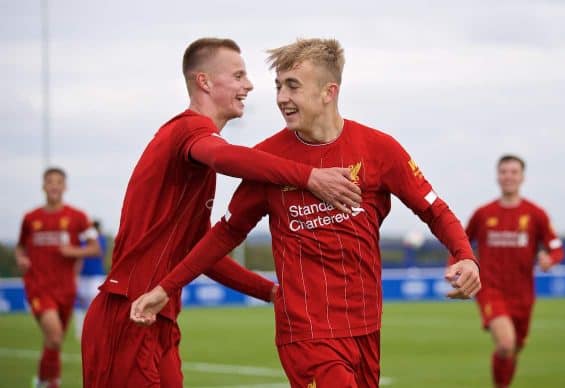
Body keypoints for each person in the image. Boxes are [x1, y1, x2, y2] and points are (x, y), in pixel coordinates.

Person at [131, 38, 481, 388]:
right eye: (279, 86)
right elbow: (226, 233)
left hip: (365, 325)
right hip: (305, 331)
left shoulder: (379, 149)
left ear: (329, 92)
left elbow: (433, 209)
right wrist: (166, 288)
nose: (282, 97)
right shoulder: (268, 161)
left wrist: (465, 256)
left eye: (293, 86)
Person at [80, 37, 361, 387]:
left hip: (159, 317)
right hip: (129, 312)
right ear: (205, 82)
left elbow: (203, 254)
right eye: (239, 75)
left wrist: (272, 293)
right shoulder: (188, 130)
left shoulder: (195, 154)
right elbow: (227, 158)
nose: (250, 85)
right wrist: (309, 176)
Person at [449, 154, 564, 388]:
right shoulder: (483, 213)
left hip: (523, 295)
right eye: (504, 172)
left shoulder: (536, 214)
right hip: (490, 289)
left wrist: (549, 259)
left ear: (522, 177)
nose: (508, 176)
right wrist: (454, 267)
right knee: (505, 344)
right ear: (497, 176)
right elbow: (459, 242)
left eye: (513, 172)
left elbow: (556, 248)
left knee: (513, 349)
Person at [15, 167, 100, 388]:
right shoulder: (30, 219)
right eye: (50, 181)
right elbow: (20, 247)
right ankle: (53, 382)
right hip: (38, 286)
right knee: (54, 336)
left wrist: (73, 251)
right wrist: (21, 259)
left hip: (66, 289)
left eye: (58, 182)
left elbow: (94, 249)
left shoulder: (78, 217)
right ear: (43, 186)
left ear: (65, 187)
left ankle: (43, 380)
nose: (54, 185)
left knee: (55, 341)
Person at [74, 220, 106, 341]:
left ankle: (96, 330)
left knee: (95, 305)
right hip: (83, 276)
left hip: (95, 277)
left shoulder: (100, 240)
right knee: (79, 305)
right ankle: (80, 332)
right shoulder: (83, 240)